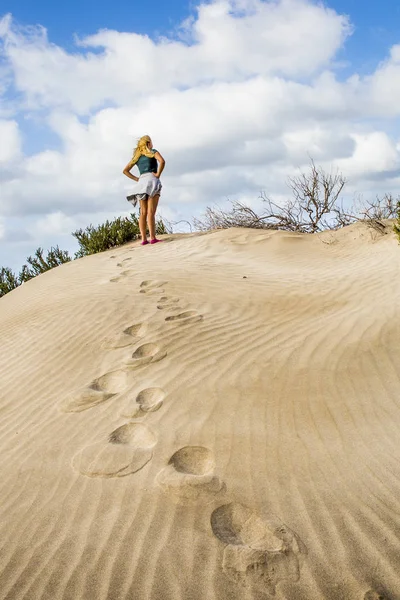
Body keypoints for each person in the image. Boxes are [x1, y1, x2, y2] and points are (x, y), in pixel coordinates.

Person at [123, 135, 166, 245]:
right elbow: (162, 161)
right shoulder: (153, 152)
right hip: (152, 181)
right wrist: (158, 174)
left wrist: (137, 179)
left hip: (141, 183)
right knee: (151, 212)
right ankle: (152, 238)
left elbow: (125, 170)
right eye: (151, 141)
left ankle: (143, 239)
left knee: (143, 212)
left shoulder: (137, 157)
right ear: (148, 143)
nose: (152, 144)